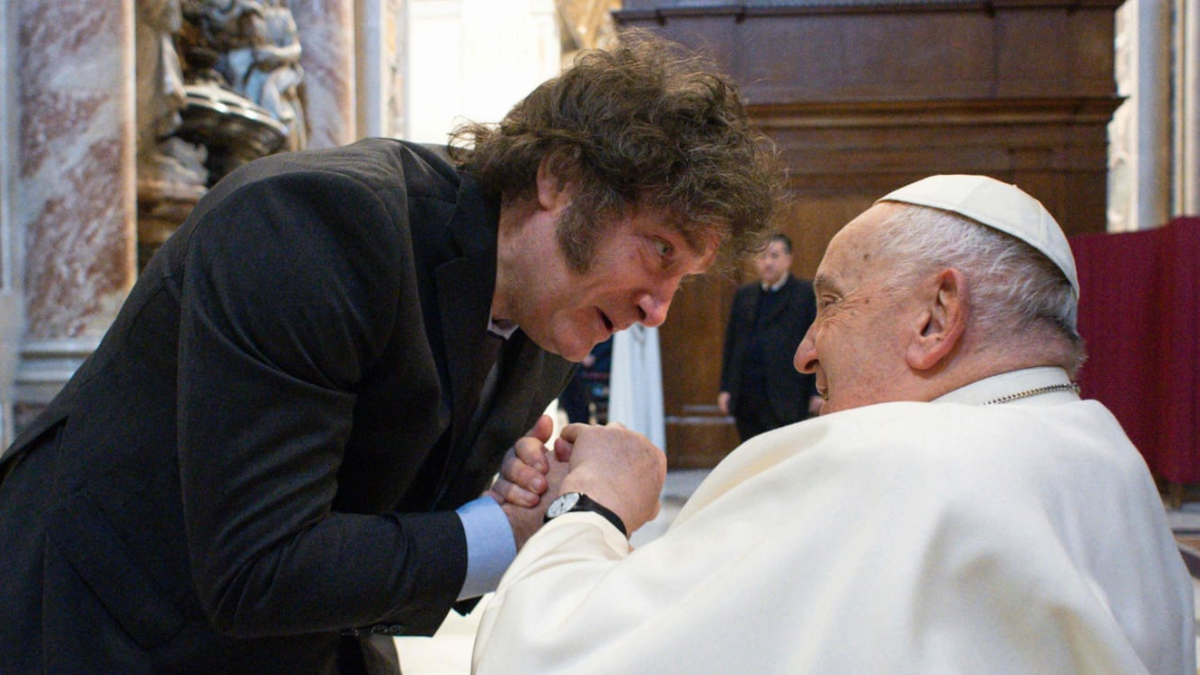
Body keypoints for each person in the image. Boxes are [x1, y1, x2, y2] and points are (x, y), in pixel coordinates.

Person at [0, 33, 781, 675]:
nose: (659, 310)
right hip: (105, 626)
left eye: (684, 278)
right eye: (658, 252)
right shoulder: (313, 227)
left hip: (300, 636)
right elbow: (258, 567)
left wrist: (516, 511)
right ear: (560, 179)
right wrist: (501, 533)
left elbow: (401, 532)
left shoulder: (556, 313)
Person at [476, 175, 1196, 675]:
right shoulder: (1109, 455)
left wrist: (592, 505)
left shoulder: (888, 462)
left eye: (834, 303)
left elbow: (547, 657)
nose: (806, 349)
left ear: (935, 316)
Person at [718, 232, 820, 441]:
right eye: (762, 256)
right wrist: (726, 388)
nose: (768, 262)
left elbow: (815, 344)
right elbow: (732, 344)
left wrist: (816, 391)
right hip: (747, 393)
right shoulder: (744, 295)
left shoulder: (805, 294)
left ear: (789, 259)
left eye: (774, 255)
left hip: (788, 393)